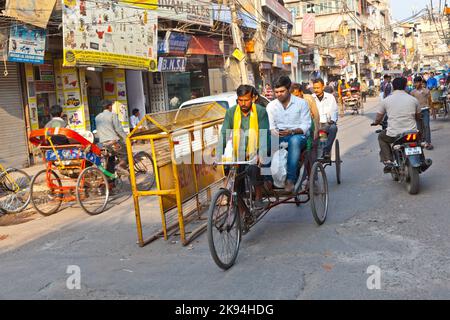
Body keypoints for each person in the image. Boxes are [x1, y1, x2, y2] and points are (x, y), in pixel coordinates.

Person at [219, 85, 271, 209]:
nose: (243, 103)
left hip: (257, 149)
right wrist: (218, 152)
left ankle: (258, 198)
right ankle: (241, 210)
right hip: (239, 152)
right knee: (234, 175)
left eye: (246, 100)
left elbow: (264, 134)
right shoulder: (231, 112)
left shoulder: (260, 111)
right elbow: (225, 132)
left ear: (252, 99)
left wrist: (260, 153)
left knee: (254, 168)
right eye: (240, 100)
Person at [266, 76, 311, 193]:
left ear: (289, 89)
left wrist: (292, 131)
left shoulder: (301, 103)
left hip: (297, 136)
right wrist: (275, 133)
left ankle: (291, 179)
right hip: (279, 135)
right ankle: (267, 180)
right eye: (276, 92)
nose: (279, 94)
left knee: (294, 141)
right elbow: (271, 126)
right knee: (264, 141)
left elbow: (306, 125)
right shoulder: (271, 106)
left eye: (282, 91)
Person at [371, 77, 422, 173]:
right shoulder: (413, 100)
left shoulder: (386, 100)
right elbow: (418, 116)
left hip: (394, 134)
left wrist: (376, 122)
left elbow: (379, 118)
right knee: (419, 140)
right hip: (411, 133)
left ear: (393, 87)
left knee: (381, 137)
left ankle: (388, 160)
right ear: (405, 86)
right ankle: (421, 158)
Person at [95, 100, 128, 175]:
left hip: (103, 143)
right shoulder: (113, 115)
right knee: (125, 154)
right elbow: (119, 129)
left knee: (110, 158)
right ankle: (120, 166)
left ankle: (111, 179)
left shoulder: (97, 117)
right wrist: (126, 138)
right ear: (109, 106)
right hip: (113, 141)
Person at [312, 78, 339, 159]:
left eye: (318, 88)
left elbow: (334, 111)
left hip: (326, 124)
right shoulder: (311, 98)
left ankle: (326, 150)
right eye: (314, 88)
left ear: (323, 87)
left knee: (333, 128)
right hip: (315, 125)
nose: (316, 90)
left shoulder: (330, 97)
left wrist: (332, 120)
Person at [410, 76, 433, 150]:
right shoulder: (412, 92)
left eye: (417, 82)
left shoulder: (426, 91)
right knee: (419, 127)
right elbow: (411, 103)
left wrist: (432, 109)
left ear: (421, 82)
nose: (415, 84)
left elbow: (430, 101)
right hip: (417, 112)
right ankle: (421, 142)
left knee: (426, 126)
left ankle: (428, 142)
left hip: (425, 110)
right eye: (415, 82)